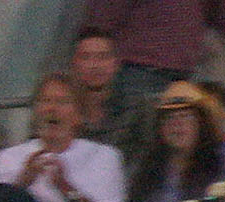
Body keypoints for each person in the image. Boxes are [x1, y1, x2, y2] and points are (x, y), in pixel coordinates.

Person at [0, 73, 126, 202]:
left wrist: (65, 187)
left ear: (79, 115)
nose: (52, 109)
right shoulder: (6, 158)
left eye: (62, 102)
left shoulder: (105, 156)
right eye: (45, 101)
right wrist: (22, 183)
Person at [84, 0, 224, 142]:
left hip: (183, 80)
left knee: (166, 146)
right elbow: (103, 17)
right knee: (126, 141)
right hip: (137, 71)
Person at [126, 81, 225, 202]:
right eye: (169, 118)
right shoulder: (147, 168)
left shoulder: (219, 162)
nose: (177, 124)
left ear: (201, 123)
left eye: (185, 116)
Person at [67, 25, 128, 149]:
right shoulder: (59, 109)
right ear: (73, 63)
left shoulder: (135, 112)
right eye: (85, 57)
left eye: (103, 57)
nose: (94, 65)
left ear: (116, 63)